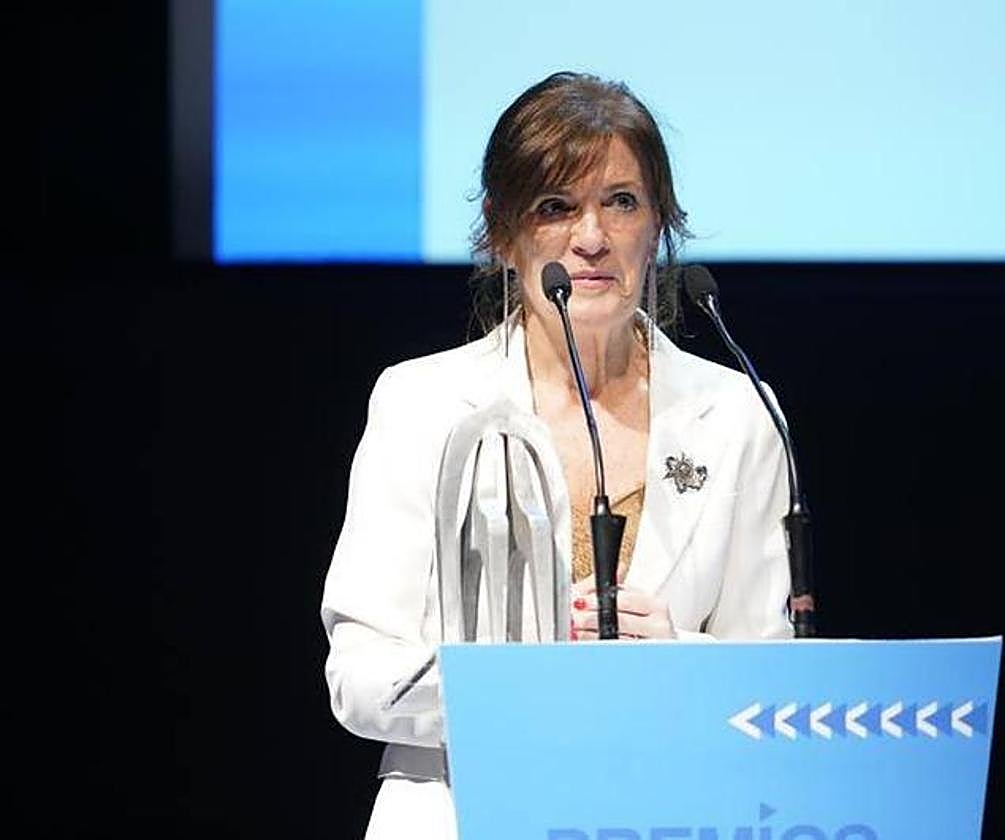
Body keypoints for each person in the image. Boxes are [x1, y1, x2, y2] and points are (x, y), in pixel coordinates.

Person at [320, 71, 793, 839]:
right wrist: (525, 676)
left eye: (622, 201)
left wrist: (676, 660)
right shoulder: (420, 404)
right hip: (459, 812)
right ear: (502, 235)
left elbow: (771, 687)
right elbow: (359, 677)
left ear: (658, 224)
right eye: (555, 207)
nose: (593, 237)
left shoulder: (739, 413)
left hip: (671, 815)